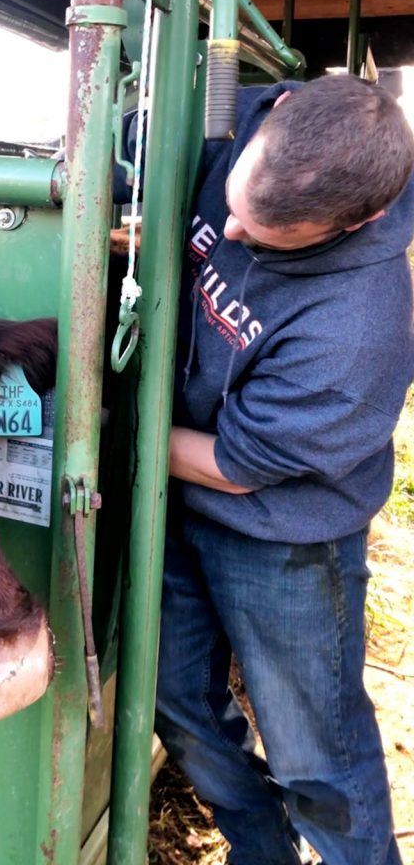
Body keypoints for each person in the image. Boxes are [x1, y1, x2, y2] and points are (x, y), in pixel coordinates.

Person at [156, 74, 414, 865]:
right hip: (177, 501)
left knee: (317, 758)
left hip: (283, 539)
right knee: (178, 706)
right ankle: (259, 850)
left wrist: (106, 429)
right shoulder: (247, 107)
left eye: (267, 234)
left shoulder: (358, 326)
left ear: (357, 221)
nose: (228, 233)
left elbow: (237, 466)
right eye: (230, 203)